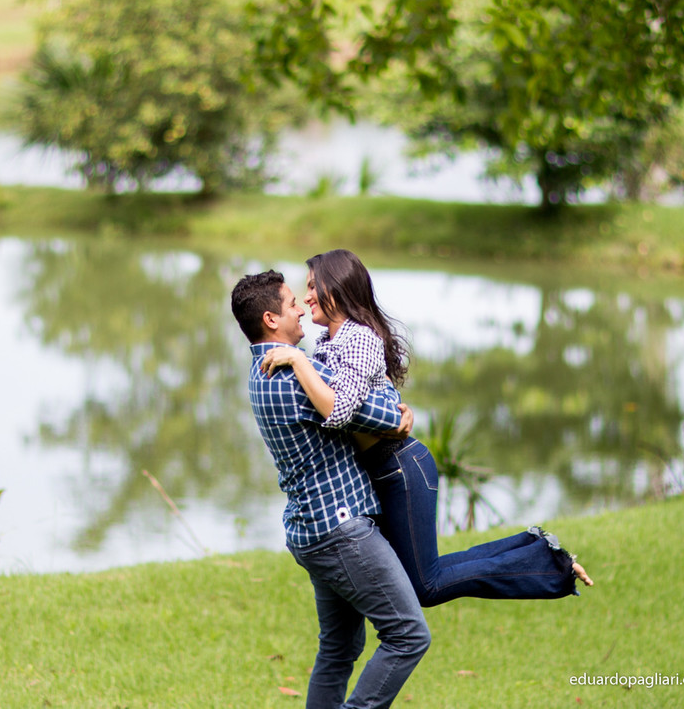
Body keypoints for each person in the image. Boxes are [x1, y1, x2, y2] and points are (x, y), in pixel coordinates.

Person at [260, 248, 593, 607]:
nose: (307, 296)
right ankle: (534, 547)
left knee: (424, 586)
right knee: (423, 575)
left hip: (400, 467)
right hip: (383, 468)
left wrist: (297, 359)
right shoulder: (329, 342)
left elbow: (340, 411)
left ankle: (547, 565)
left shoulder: (358, 338)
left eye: (312, 286)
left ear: (337, 288)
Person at [231, 269, 430, 709]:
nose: (302, 307)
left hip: (315, 530)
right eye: (290, 304)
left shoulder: (262, 371)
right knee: (408, 634)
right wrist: (402, 413)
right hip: (340, 531)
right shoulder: (292, 376)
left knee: (339, 649)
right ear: (270, 319)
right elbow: (384, 416)